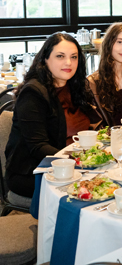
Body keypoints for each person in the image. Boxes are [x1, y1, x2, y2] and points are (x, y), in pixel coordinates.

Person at [5, 33, 96, 200]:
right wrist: (79, 162)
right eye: (60, 56)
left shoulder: (74, 87)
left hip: (72, 165)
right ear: (45, 59)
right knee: (96, 191)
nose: (68, 62)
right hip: (33, 171)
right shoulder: (33, 93)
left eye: (73, 57)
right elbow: (38, 147)